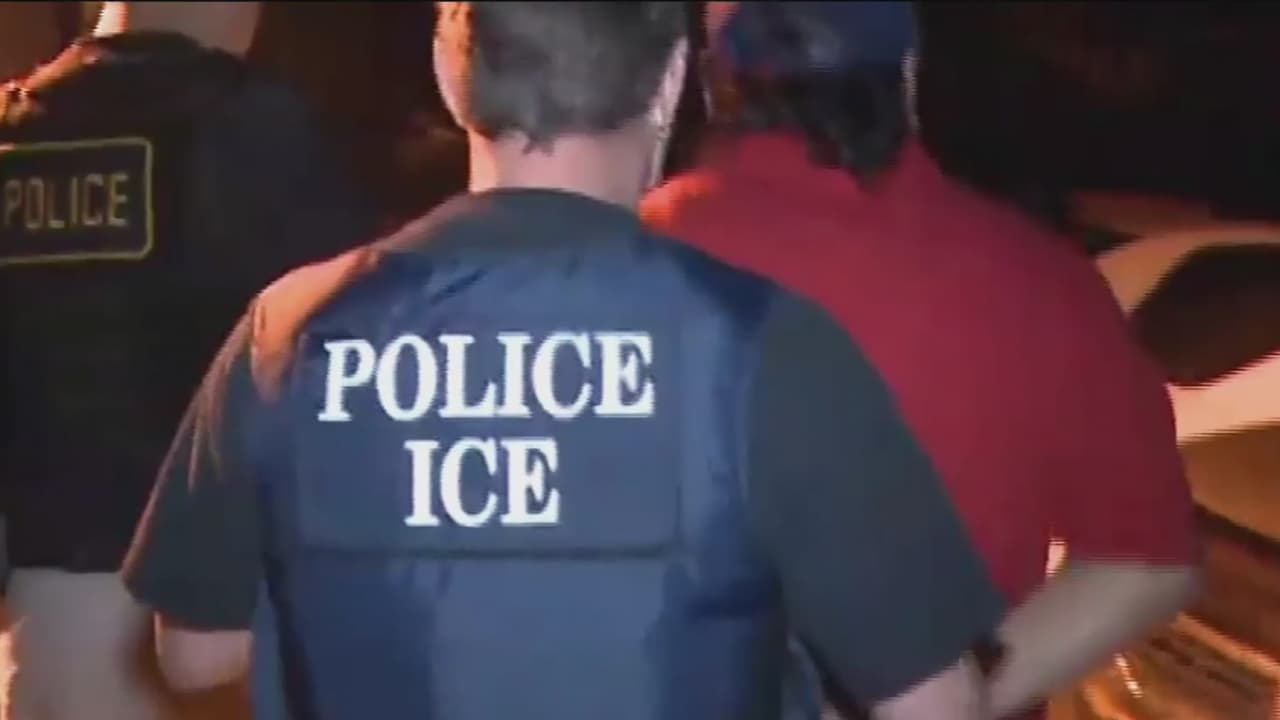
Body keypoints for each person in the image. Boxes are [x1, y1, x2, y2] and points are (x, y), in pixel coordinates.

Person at [123, 3, 1005, 718]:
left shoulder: (288, 332)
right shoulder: (762, 343)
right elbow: (935, 704)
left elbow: (196, 653)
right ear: (672, 81)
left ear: (451, 76)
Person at [643, 3, 1201, 719]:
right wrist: (950, 694)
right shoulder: (1040, 281)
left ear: (710, 81)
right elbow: (1148, 560)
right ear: (908, 75)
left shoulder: (625, 261)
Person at [0, 3, 379, 719]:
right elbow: (347, 394)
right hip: (202, 643)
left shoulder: (14, 130)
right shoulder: (259, 132)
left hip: (34, 642)